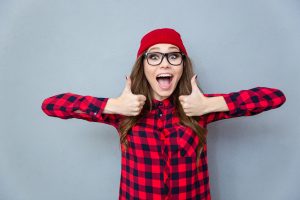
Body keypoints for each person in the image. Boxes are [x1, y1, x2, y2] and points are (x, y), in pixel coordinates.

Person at [41, 28, 287, 200]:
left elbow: (274, 97)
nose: (164, 63)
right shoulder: (123, 111)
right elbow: (51, 105)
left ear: (183, 64)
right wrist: (112, 106)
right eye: (154, 56)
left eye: (173, 55)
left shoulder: (199, 107)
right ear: (143, 66)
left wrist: (213, 105)